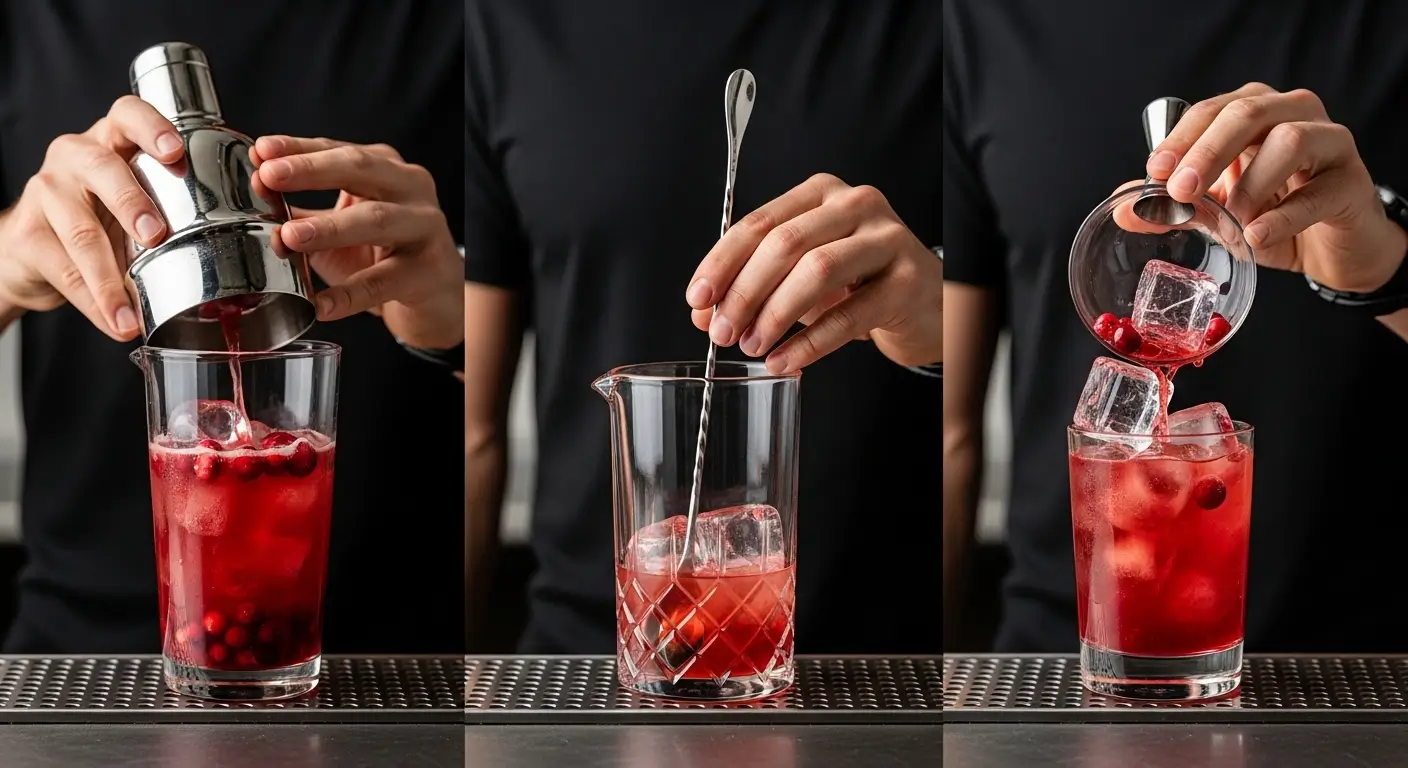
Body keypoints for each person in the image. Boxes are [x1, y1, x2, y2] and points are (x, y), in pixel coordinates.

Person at [464, 1, 941, 654]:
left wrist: (930, 322)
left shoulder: (936, 30)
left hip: (880, 671)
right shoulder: (503, 27)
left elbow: (961, 413)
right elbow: (473, 430)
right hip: (585, 661)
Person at [0, 1, 466, 653]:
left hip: (398, 663)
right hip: (77, 651)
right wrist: (8, 267)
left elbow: (521, 370)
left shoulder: (456, 26)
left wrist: (450, 323)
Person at [943, 0, 1408, 652]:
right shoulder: (978, 25)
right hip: (1061, 662)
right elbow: (948, 431)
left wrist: (1385, 270)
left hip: (1365, 668)